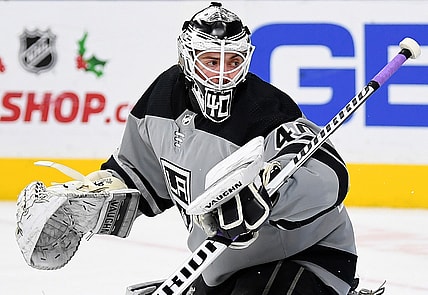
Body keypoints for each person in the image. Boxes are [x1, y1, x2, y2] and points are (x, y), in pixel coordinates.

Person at [16, 2, 359, 294]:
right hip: (218, 266)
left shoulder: (265, 111)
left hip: (310, 257)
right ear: (188, 58)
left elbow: (330, 175)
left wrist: (272, 195)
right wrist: (94, 197)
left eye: (233, 62)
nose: (223, 74)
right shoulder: (163, 99)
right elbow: (138, 174)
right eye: (212, 62)